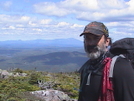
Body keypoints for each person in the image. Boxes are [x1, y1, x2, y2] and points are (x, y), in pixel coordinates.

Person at [78, 21, 134, 101]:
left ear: (107, 41)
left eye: (96, 38)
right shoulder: (87, 67)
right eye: (87, 38)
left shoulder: (120, 66)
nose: (91, 43)